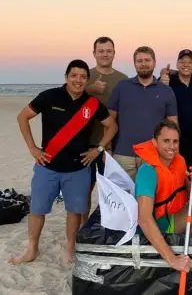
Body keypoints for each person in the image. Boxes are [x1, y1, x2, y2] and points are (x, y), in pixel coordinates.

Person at [9, 60, 117, 264]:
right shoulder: (49, 96)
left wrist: (98, 149)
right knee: (37, 210)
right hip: (47, 166)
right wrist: (33, 149)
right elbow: (22, 117)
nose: (78, 80)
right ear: (66, 77)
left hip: (78, 169)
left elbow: (112, 127)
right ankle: (32, 249)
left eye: (83, 77)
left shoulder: (92, 104)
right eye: (74, 75)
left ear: (87, 80)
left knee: (75, 211)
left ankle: (69, 248)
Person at [134, 121, 192, 272]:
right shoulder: (148, 171)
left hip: (172, 217)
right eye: (166, 141)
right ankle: (169, 253)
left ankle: (176, 246)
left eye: (175, 141)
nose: (172, 146)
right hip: (157, 225)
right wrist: (172, 260)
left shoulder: (180, 161)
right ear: (154, 142)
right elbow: (144, 219)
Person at [108, 46, 178, 180]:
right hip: (123, 155)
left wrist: (173, 153)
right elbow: (110, 120)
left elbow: (173, 125)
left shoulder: (166, 91)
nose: (143, 64)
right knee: (121, 198)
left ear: (154, 62)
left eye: (147, 60)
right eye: (139, 61)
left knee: (150, 197)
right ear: (134, 64)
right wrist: (108, 149)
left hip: (153, 154)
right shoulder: (122, 87)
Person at [82, 36, 128, 225]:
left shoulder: (123, 80)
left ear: (114, 53)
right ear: (94, 53)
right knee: (84, 189)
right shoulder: (84, 76)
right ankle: (84, 227)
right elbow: (69, 99)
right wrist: (90, 89)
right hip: (85, 143)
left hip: (113, 145)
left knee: (111, 190)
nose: (105, 54)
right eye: (101, 51)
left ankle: (107, 225)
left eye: (109, 51)